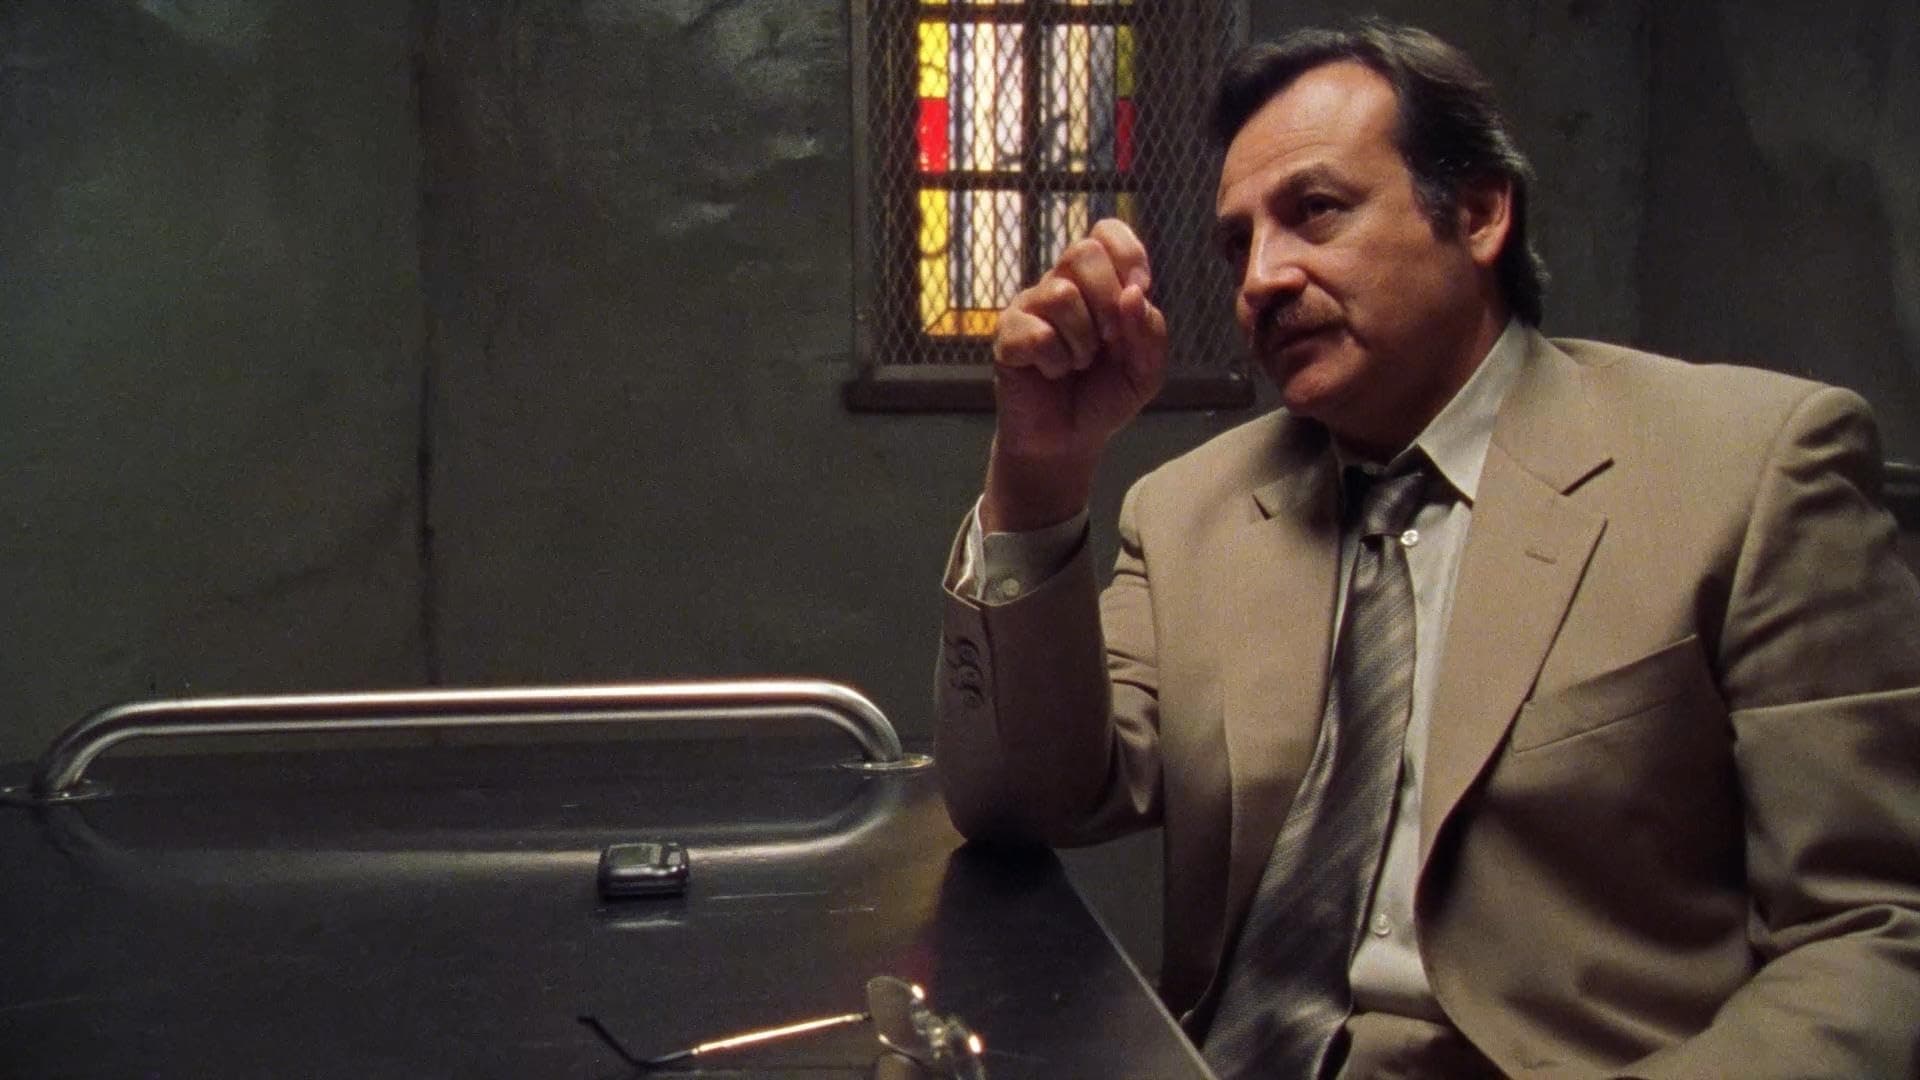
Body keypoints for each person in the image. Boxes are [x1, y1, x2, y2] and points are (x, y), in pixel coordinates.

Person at [932, 17, 1920, 1079]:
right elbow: (1020, 803)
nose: (1261, 277)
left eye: (1315, 210)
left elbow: (1873, 934)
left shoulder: (1748, 470)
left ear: (1481, 213)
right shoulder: (1190, 514)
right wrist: (1040, 468)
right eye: (1237, 243)